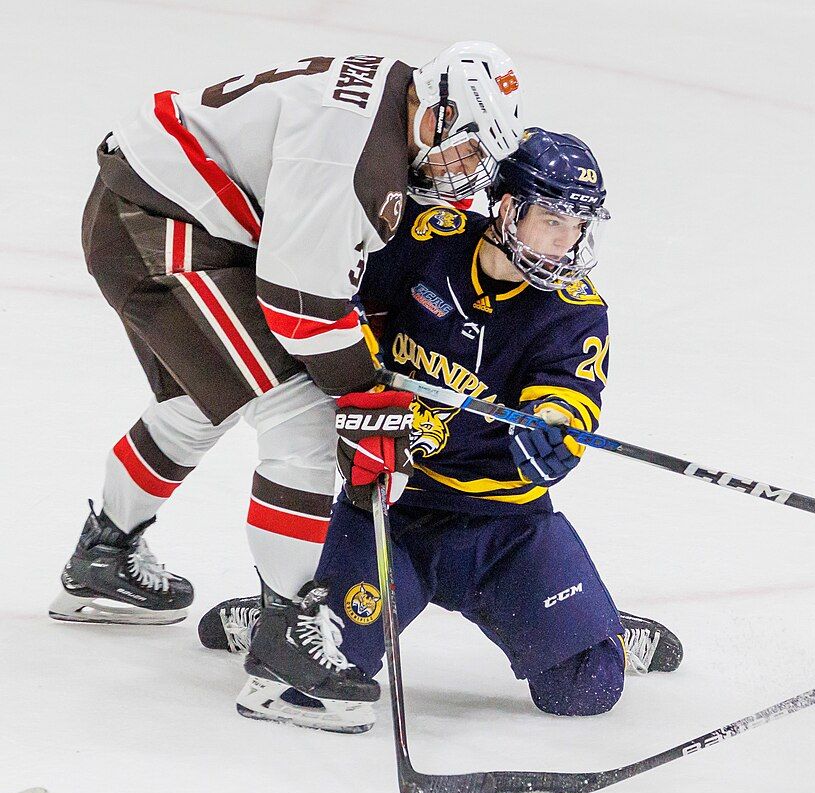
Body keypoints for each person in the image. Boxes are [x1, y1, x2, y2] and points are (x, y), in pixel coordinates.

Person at [52, 42, 524, 731]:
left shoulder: (394, 97)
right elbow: (300, 305)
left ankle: (104, 553)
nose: (467, 173)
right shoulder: (356, 157)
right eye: (469, 149)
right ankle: (285, 645)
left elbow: (311, 263)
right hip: (163, 230)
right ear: (439, 112)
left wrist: (359, 380)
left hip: (156, 208)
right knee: (302, 417)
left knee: (196, 403)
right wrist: (364, 395)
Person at [199, 128, 683, 732]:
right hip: (391, 510)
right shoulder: (427, 244)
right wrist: (364, 387)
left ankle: (596, 623)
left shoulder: (576, 308)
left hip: (504, 527)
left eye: (581, 224)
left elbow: (570, 393)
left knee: (585, 689)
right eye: (555, 219)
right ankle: (283, 608)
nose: (570, 240)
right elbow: (340, 302)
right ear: (508, 207)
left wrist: (554, 431)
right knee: (323, 676)